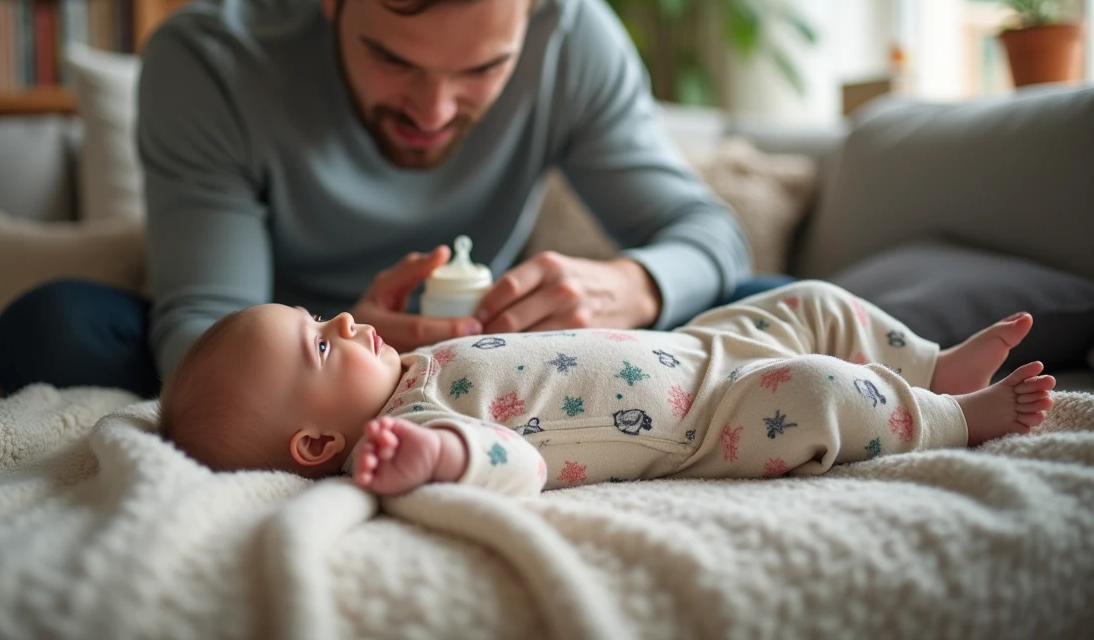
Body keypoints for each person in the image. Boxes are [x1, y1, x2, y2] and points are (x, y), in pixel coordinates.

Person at [0, 0, 767, 400]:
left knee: (777, 297)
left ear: (533, 13)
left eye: (483, 69)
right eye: (394, 59)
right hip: (296, 347)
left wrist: (631, 287)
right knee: (55, 327)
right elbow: (211, 326)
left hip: (482, 339)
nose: (433, 113)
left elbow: (710, 237)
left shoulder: (571, 34)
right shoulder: (210, 56)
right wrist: (340, 347)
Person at [158, 281, 1056, 495]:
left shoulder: (411, 365)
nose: (347, 324)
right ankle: (952, 415)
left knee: (811, 302)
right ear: (317, 444)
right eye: (322, 347)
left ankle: (930, 362)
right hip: (712, 415)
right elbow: (512, 465)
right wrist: (439, 456)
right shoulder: (410, 418)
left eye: (322, 317)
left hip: (693, 344)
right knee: (822, 388)